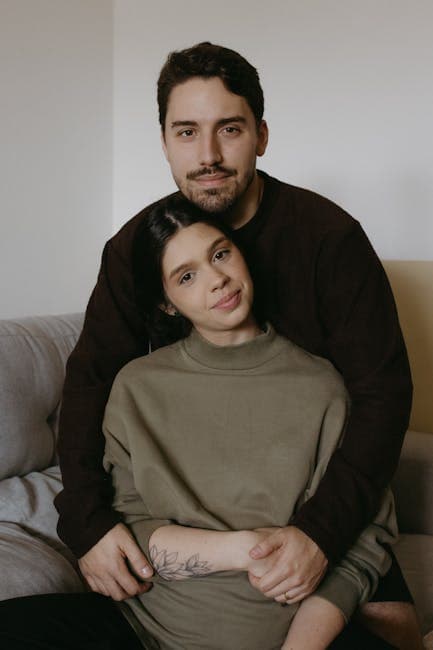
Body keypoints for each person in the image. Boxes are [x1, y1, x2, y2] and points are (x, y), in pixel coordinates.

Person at [54, 42, 421, 645]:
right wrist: (88, 524)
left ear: (262, 135)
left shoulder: (330, 239)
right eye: (186, 132)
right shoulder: (137, 250)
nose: (208, 156)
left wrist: (319, 535)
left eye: (229, 129)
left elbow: (382, 396)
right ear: (166, 141)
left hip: (314, 498)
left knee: (389, 628)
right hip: (199, 515)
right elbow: (91, 380)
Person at [0, 197, 403, 649]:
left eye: (220, 253)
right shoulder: (137, 387)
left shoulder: (323, 386)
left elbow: (364, 540)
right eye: (186, 276)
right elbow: (127, 528)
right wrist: (245, 546)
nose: (217, 280)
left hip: (287, 635)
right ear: (168, 304)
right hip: (144, 630)